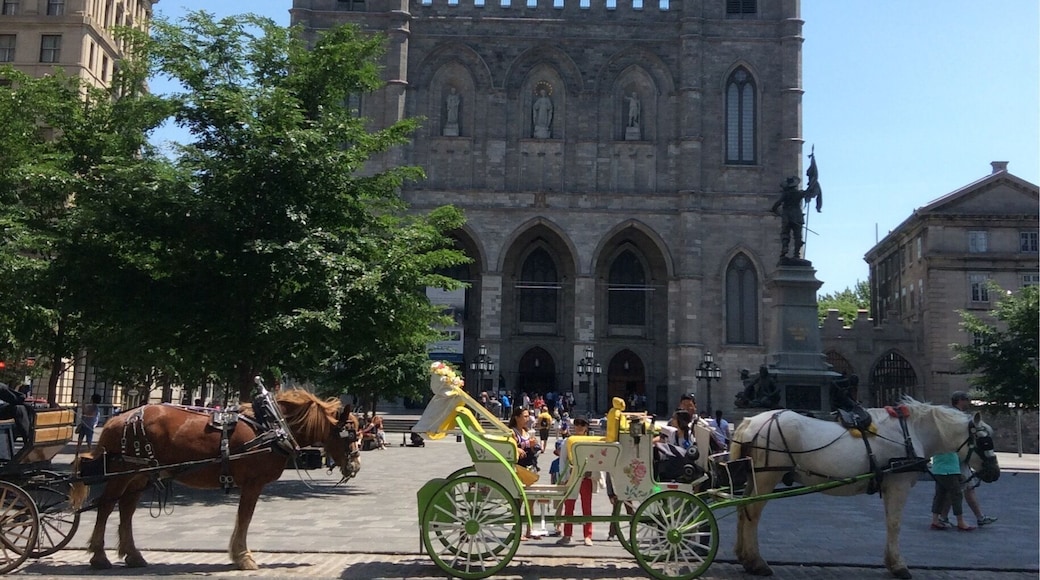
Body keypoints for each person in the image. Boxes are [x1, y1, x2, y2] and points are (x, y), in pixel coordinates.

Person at [940, 391, 998, 528]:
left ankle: (945, 517)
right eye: (966, 399)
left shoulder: (958, 416)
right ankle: (972, 518)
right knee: (961, 489)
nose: (968, 402)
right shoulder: (955, 416)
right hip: (956, 458)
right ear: (959, 400)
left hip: (960, 457)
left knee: (962, 488)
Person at [556, 416, 595, 546]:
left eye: (582, 424)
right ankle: (567, 534)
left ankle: (588, 535)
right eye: (577, 424)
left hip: (586, 476)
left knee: (587, 507)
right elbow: (563, 459)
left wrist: (593, 473)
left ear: (586, 427)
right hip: (571, 476)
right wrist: (563, 476)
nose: (579, 427)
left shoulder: (591, 441)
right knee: (569, 506)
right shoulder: (568, 441)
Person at [930, 447, 975, 531]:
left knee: (940, 495)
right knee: (956, 495)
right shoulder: (949, 440)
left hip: (939, 469)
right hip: (950, 470)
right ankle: (960, 521)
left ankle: (935, 520)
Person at [771, 176, 809, 260]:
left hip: (787, 217)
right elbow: (808, 193)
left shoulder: (786, 194)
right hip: (798, 217)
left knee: (785, 234)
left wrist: (776, 211)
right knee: (798, 236)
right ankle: (797, 254)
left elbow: (776, 205)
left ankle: (785, 249)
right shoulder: (799, 193)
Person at [509, 407, 540, 472]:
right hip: (517, 467)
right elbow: (510, 448)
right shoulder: (512, 432)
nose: (528, 419)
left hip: (527, 466)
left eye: (528, 416)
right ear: (517, 418)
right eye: (525, 417)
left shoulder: (526, 431)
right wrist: (517, 449)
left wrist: (533, 446)